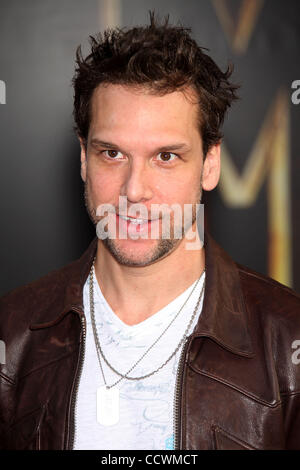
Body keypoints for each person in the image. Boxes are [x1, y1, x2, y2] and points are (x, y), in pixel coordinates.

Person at [0, 13, 300, 451]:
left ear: (210, 164)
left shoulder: (287, 342)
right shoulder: (12, 336)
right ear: (84, 159)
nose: (134, 190)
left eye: (165, 156)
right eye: (112, 153)